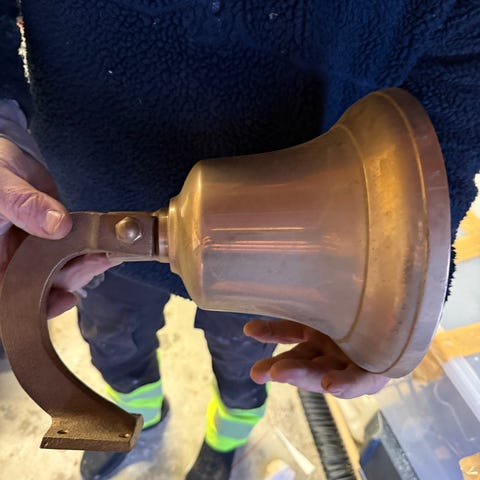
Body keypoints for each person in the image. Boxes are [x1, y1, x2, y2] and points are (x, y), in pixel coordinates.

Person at [0, 1, 478, 479]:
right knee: (113, 339)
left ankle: (225, 439)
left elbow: (465, 47)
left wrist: (406, 268)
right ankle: (136, 414)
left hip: (296, 243)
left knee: (244, 361)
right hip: (81, 220)